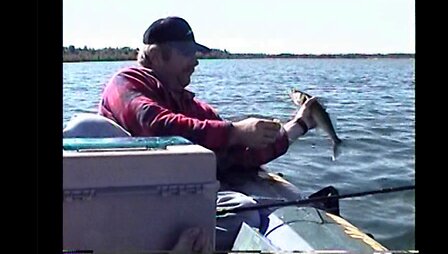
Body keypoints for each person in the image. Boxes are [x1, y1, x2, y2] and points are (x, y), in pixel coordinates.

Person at [96, 16, 319, 250]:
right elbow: (157, 126)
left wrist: (298, 126)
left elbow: (239, 156)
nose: (195, 62)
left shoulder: (193, 107)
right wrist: (235, 132)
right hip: (126, 206)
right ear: (158, 56)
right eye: (187, 52)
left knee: (244, 213)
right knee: (246, 214)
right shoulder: (125, 82)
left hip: (173, 199)